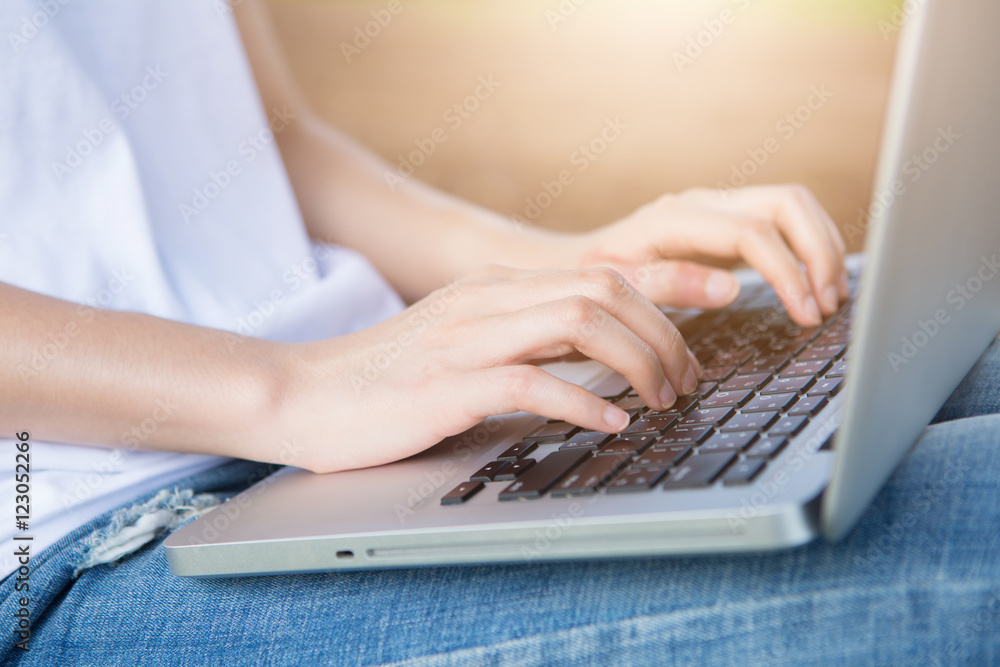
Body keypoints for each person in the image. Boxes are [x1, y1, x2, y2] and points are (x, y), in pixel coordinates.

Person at [1, 1, 997, 664]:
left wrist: (558, 264)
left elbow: (266, 135)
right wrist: (291, 389)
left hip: (382, 417)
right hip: (94, 531)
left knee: (936, 336)